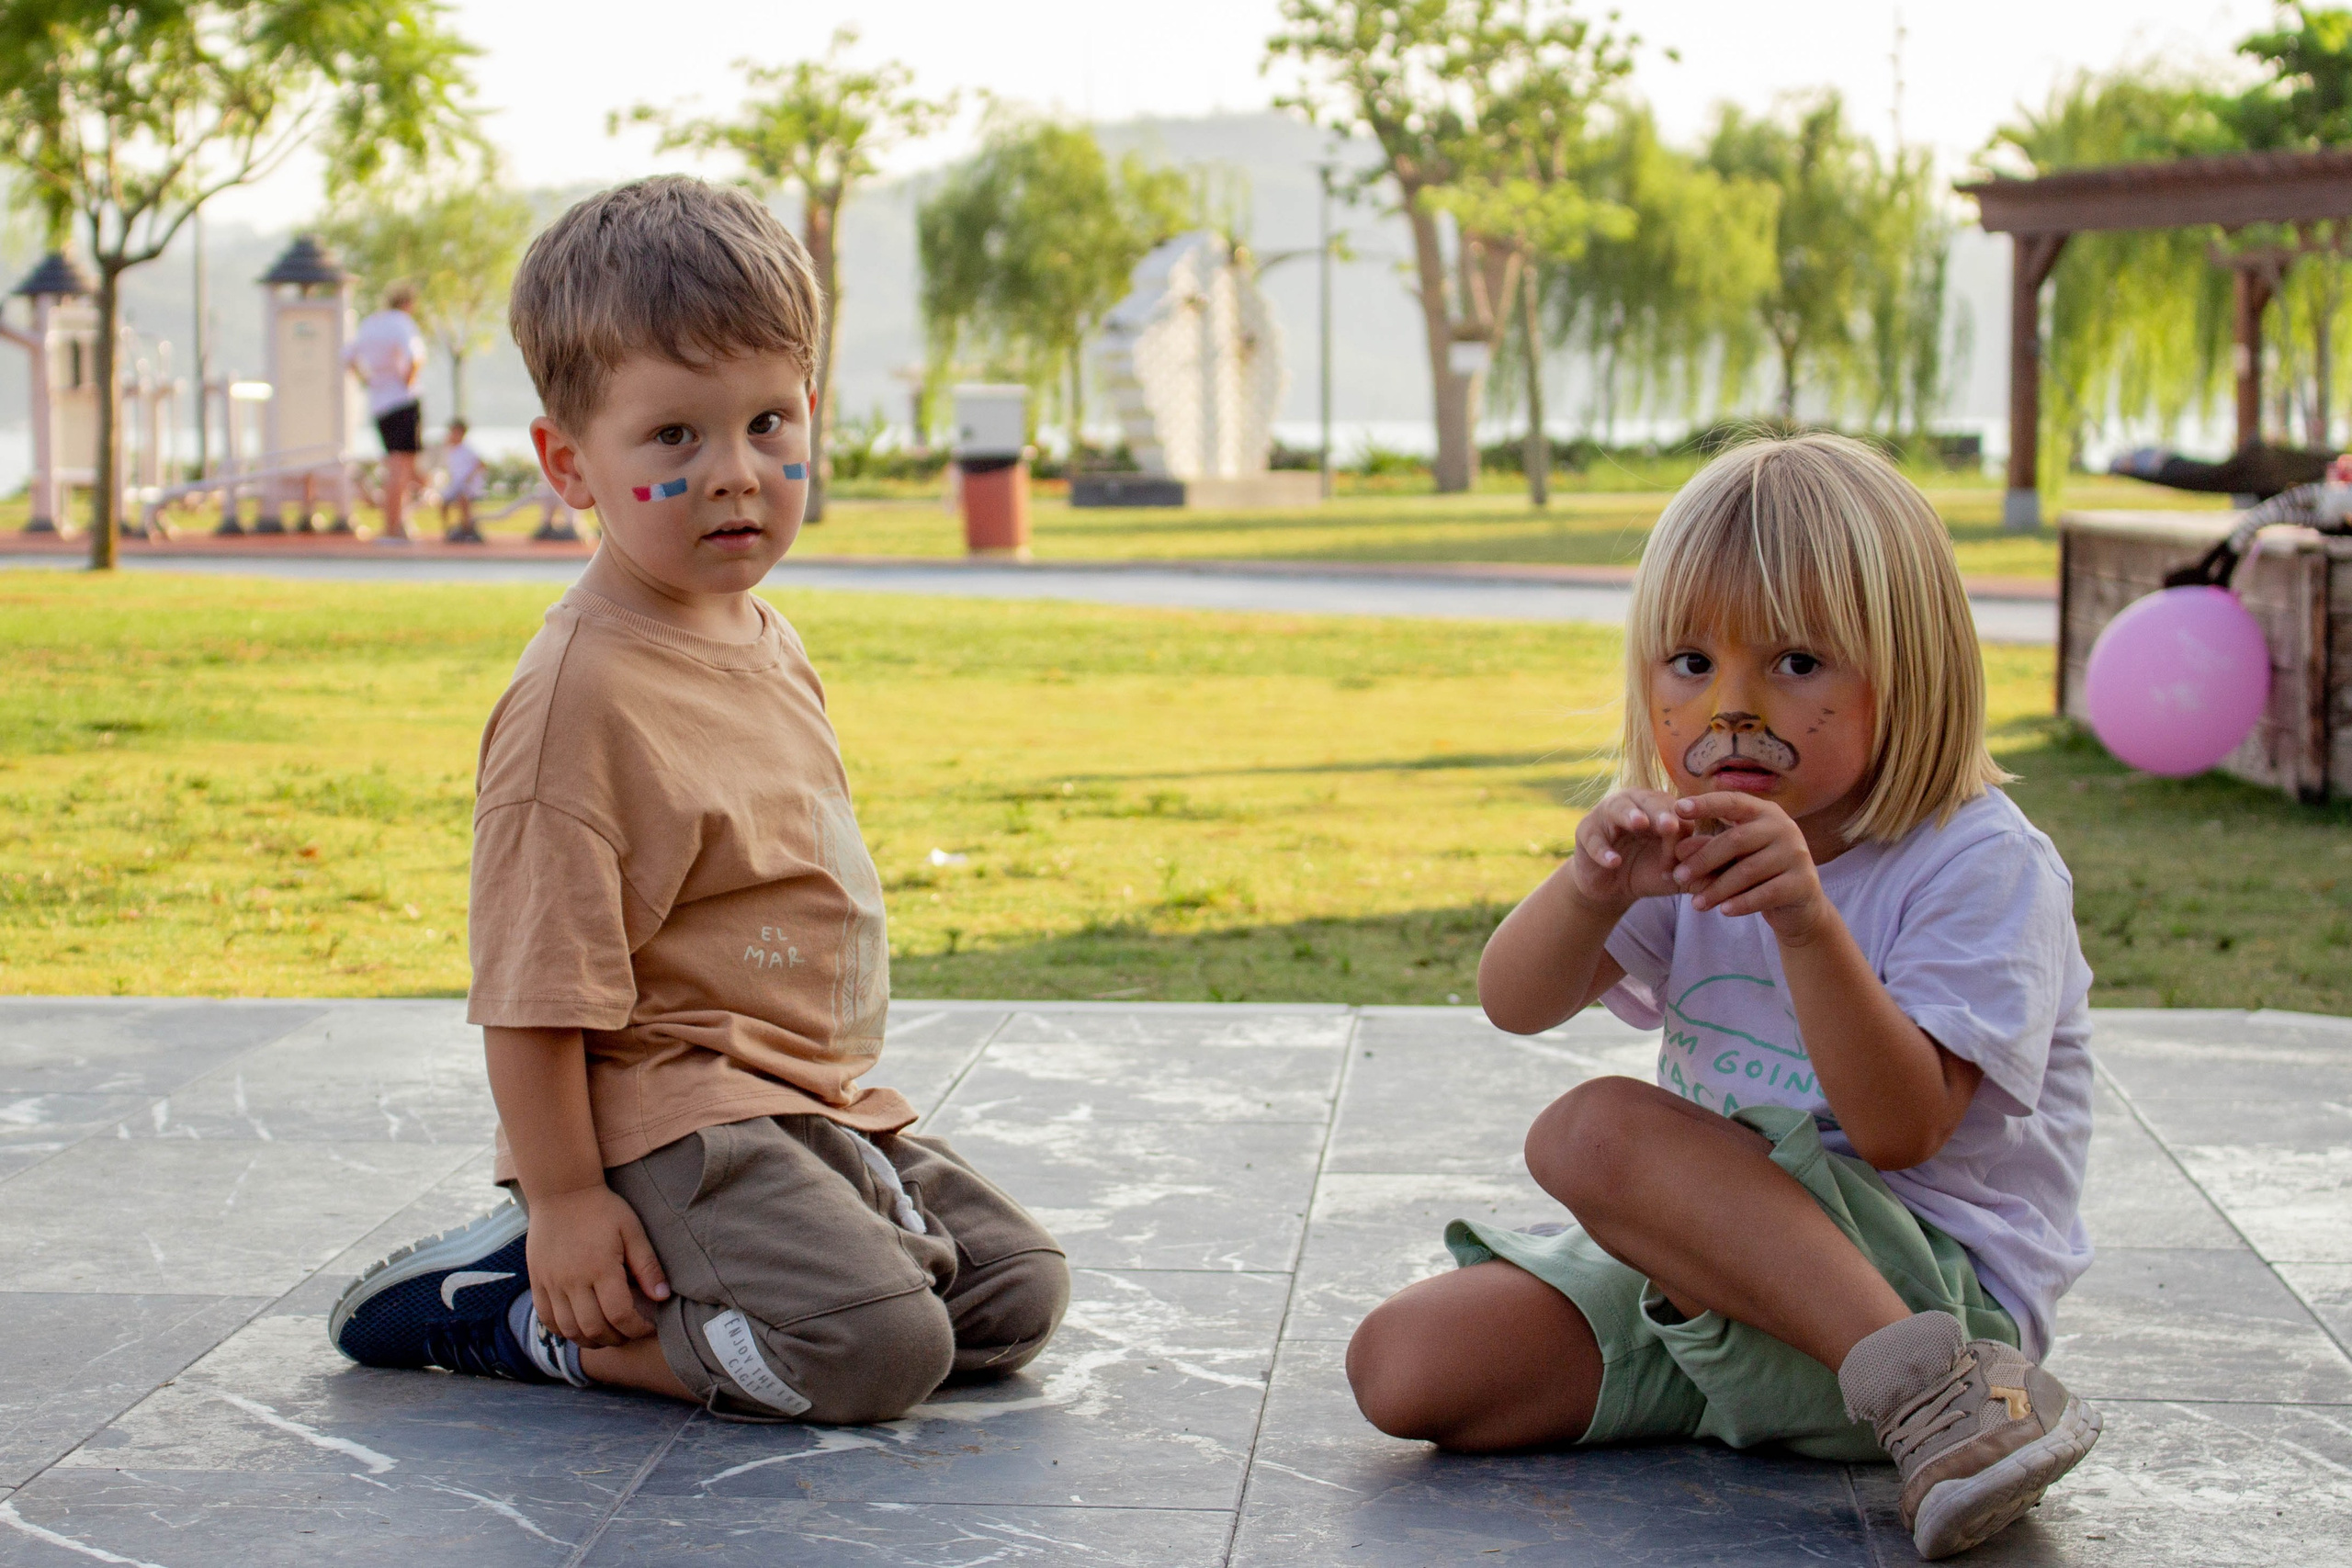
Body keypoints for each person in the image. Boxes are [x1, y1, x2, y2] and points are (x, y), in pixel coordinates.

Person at [325, 176, 1069, 1424]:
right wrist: (566, 1204)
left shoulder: (766, 635)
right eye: (674, 438)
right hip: (669, 1112)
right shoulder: (580, 698)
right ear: (570, 462)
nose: (738, 473)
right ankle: (512, 1310)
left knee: (1010, 1295)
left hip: (801, 1098)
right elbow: (529, 989)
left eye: (770, 422)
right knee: (875, 1353)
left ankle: (750, 1272)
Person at [1344, 434, 2099, 1562]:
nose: (1732, 710)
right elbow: (1513, 1001)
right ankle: (1775, 1397)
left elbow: (1902, 1131)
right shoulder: (1686, 840)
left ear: (1914, 667)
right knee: (1402, 1366)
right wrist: (1588, 887)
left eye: (1796, 663)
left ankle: (1941, 1405)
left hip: (1923, 1290)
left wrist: (1807, 920)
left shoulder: (1978, 863)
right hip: (1714, 1279)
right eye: (1690, 664)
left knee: (1590, 1133)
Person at [345, 283, 428, 541]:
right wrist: (408, 382)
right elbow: (414, 356)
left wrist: (367, 380)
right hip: (402, 402)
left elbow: (347, 356)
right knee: (400, 469)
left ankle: (399, 523)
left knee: (397, 466)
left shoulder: (371, 324)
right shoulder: (401, 323)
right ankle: (392, 528)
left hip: (379, 405)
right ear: (408, 304)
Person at [437, 417, 488, 544]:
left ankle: (467, 529)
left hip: (468, 485)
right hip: (456, 484)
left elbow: (481, 464)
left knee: (462, 498)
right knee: (443, 501)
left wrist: (470, 478)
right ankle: (448, 530)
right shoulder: (449, 450)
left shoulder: (467, 450)